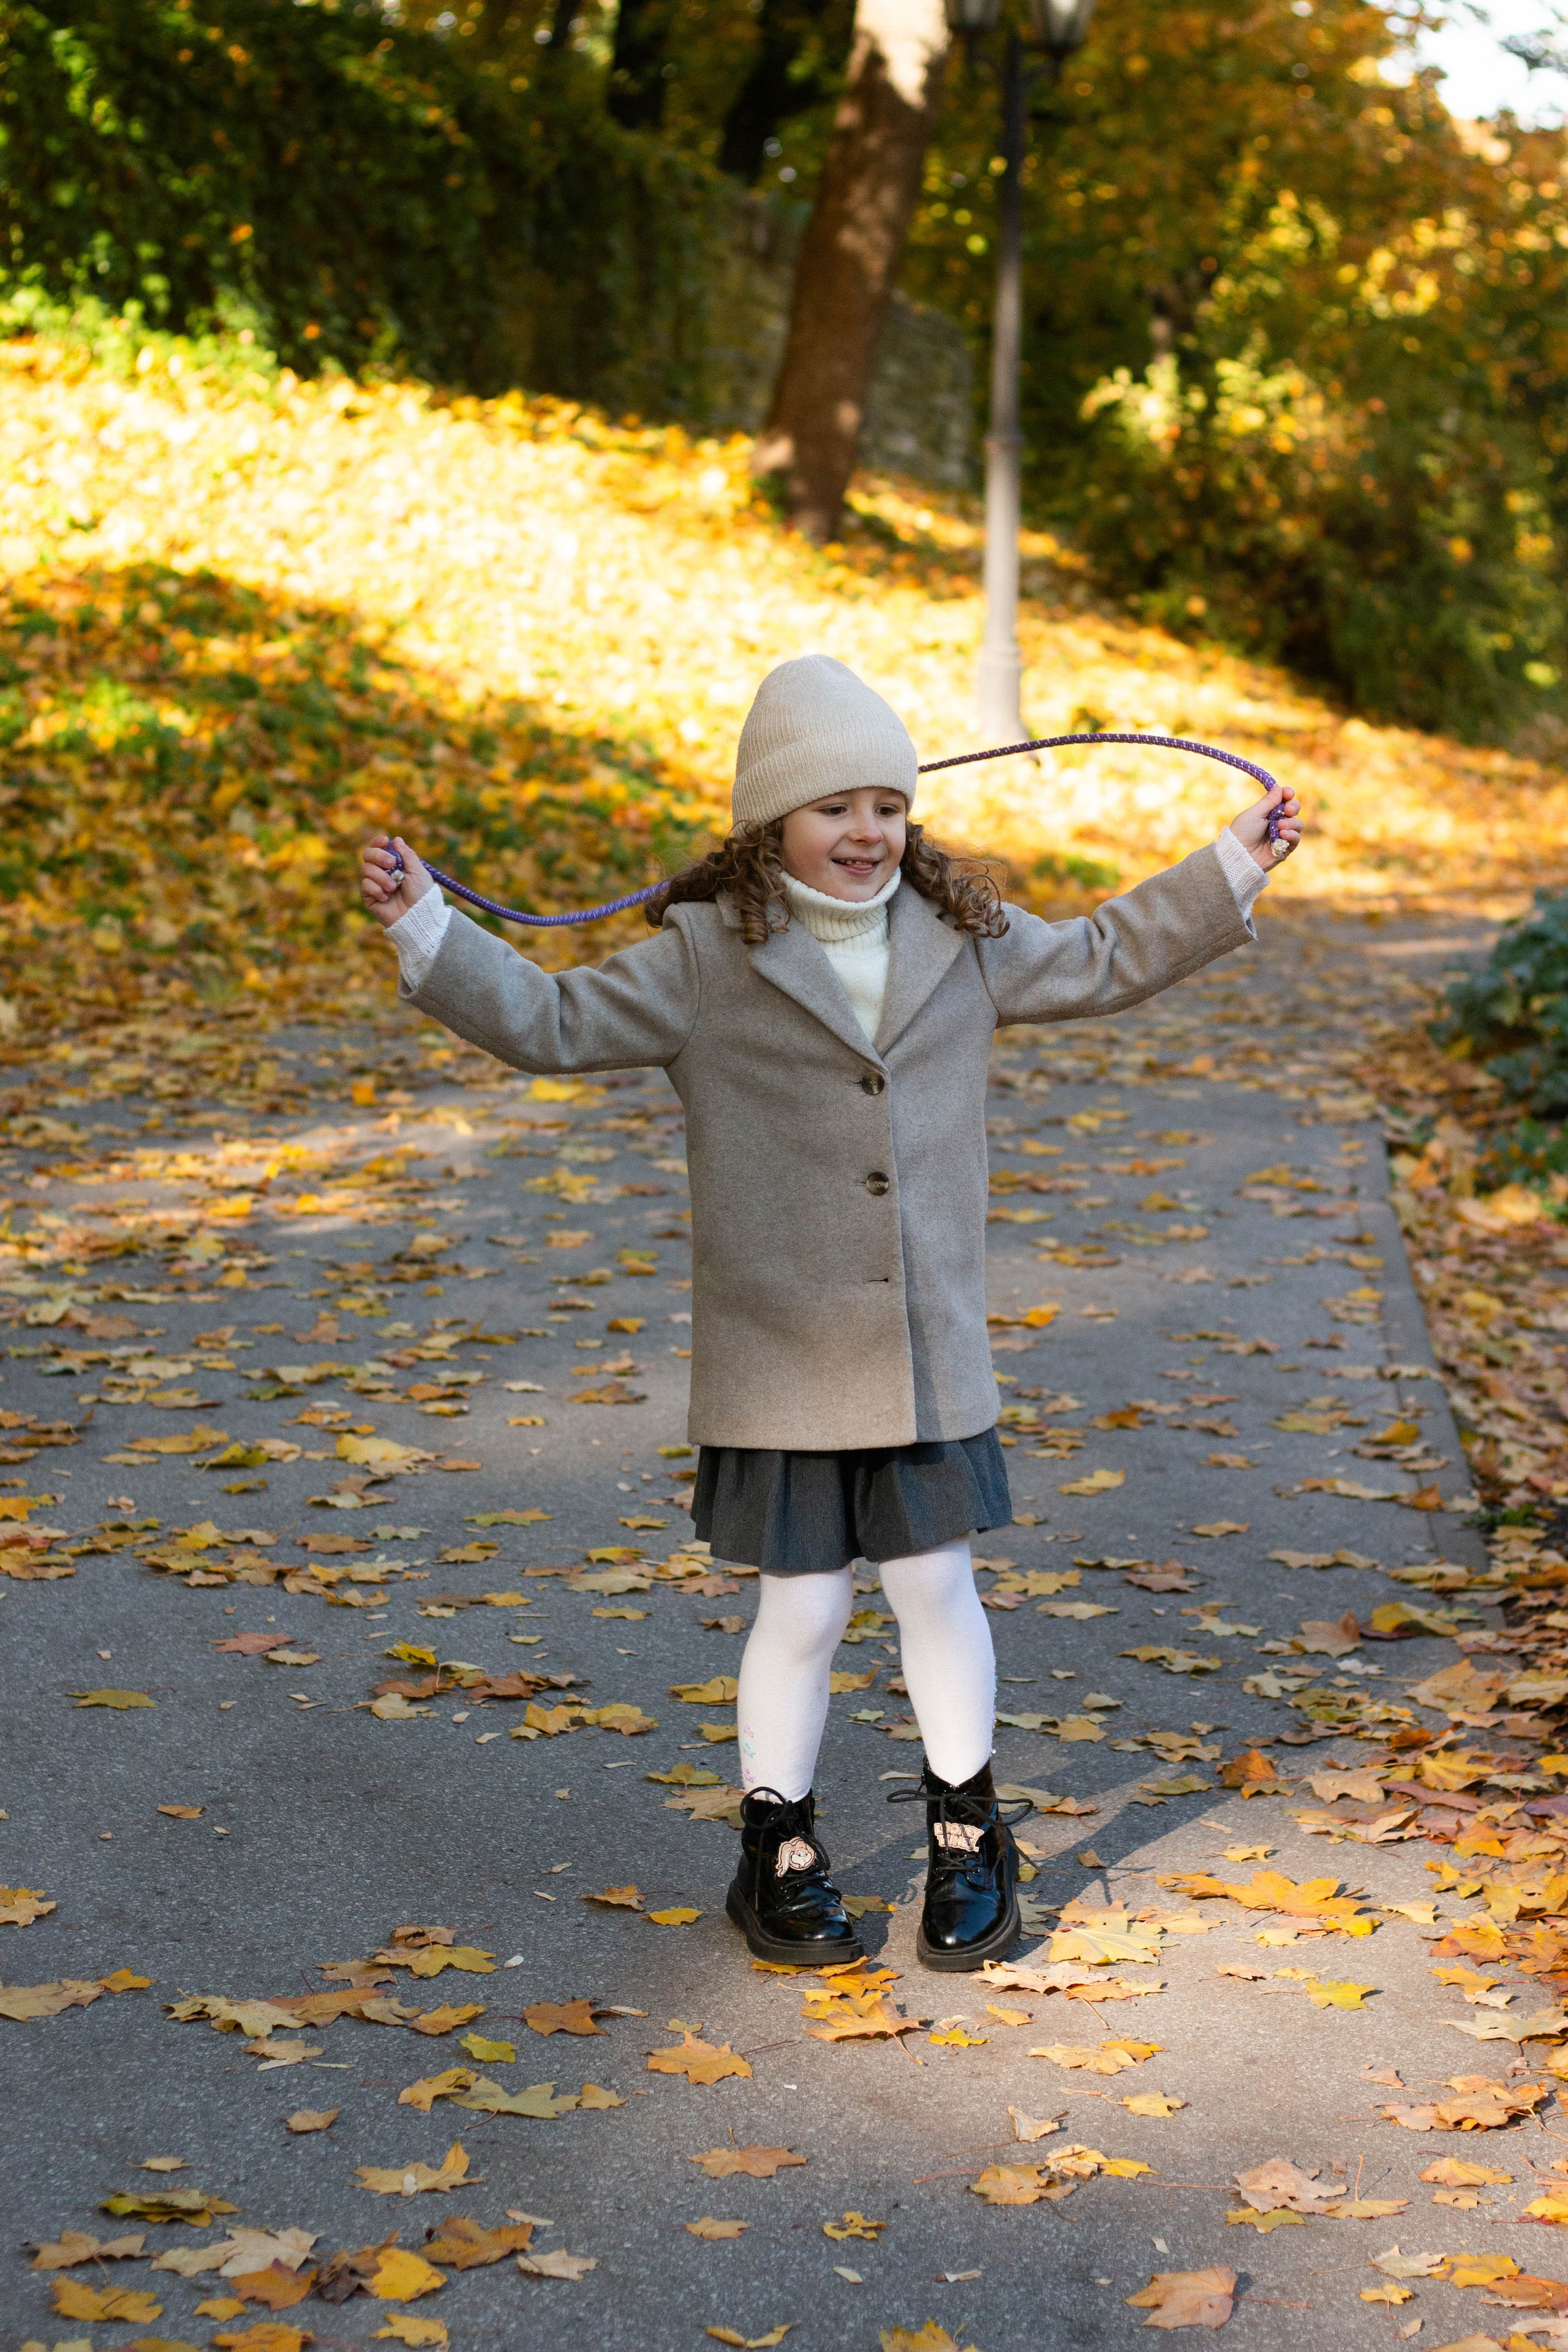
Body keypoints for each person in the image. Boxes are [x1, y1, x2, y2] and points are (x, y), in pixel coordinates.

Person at [360, 654, 1302, 1974]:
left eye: (887, 806)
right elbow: (550, 1018)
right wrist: (426, 928)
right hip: (781, 1355)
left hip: (920, 1349)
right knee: (798, 1610)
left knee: (935, 1585)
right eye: (834, 809)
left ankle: (969, 1836)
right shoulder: (703, 955)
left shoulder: (964, 944)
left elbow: (1101, 957)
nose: (867, 834)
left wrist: (1231, 865)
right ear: (769, 824)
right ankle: (779, 1851)